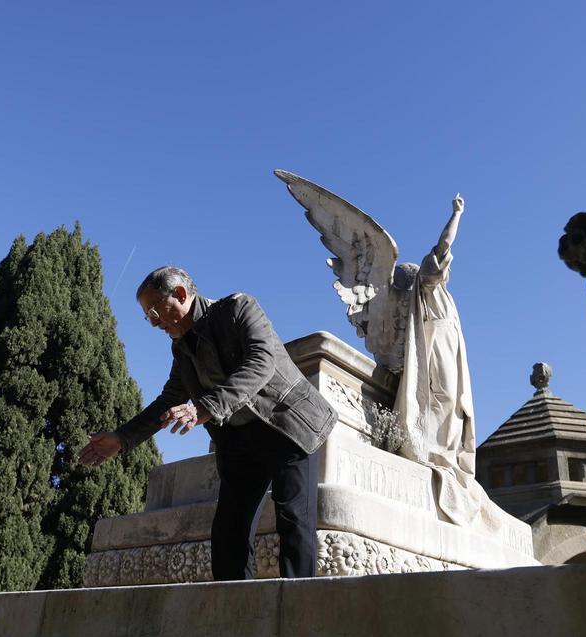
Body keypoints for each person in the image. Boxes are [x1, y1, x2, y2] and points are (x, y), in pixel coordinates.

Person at [77, 267, 337, 580]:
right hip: (241, 443)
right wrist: (122, 438)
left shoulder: (240, 308)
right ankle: (234, 612)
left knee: (294, 519)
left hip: (288, 426)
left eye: (155, 311)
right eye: (149, 317)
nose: (155, 323)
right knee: (229, 532)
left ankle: (298, 610)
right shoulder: (181, 349)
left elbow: (261, 363)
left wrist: (205, 407)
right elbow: (168, 400)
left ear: (181, 295)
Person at [393, 194, 531, 548]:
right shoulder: (426, 283)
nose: (443, 268)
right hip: (437, 345)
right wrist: (456, 214)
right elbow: (443, 245)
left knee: (458, 406)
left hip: (451, 346)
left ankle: (449, 453)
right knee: (444, 399)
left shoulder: (444, 297)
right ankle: (437, 450)